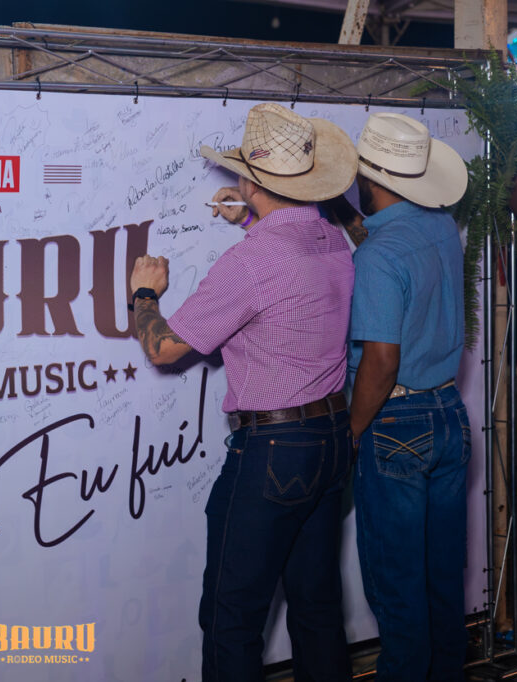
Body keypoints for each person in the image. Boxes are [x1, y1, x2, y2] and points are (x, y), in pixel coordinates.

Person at [129, 102, 357, 682]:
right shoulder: (331, 239)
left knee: (231, 619)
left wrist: (144, 295)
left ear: (251, 182)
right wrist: (253, 215)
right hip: (333, 438)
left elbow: (164, 349)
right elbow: (286, 263)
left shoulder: (251, 261)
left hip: (275, 452)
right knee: (317, 609)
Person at [344, 112, 470, 682]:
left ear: (368, 179)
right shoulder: (441, 227)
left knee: (397, 591)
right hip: (448, 414)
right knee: (441, 582)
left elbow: (381, 361)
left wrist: (352, 431)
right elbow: (388, 243)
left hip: (395, 422)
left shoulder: (377, 257)